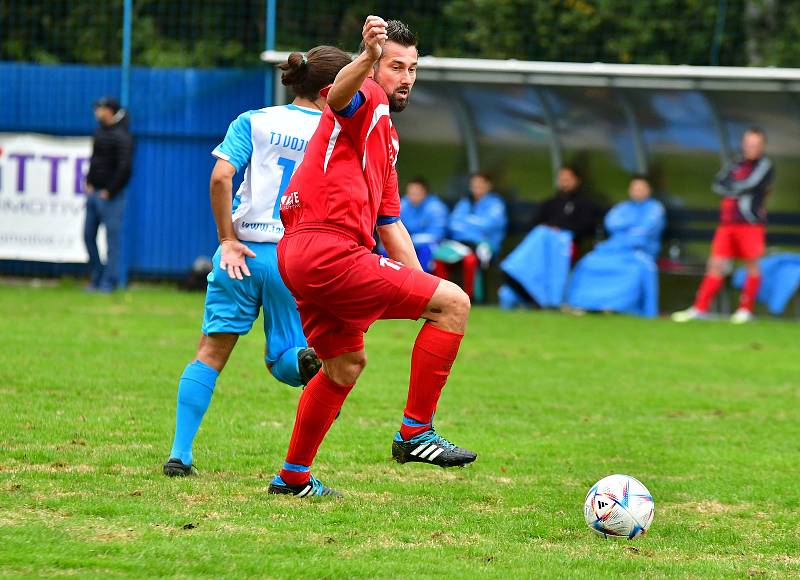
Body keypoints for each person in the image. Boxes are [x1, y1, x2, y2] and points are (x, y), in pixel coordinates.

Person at [268, 16, 475, 498]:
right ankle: (415, 433)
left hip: (301, 255)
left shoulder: (388, 142)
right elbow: (338, 96)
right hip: (328, 251)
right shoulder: (367, 100)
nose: (405, 78)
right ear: (375, 69)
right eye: (395, 66)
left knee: (344, 365)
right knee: (457, 303)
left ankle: (292, 477)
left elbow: (391, 224)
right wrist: (365, 56)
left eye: (413, 68)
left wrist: (425, 292)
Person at [162, 46, 353, 477]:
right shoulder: (338, 131)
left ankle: (180, 455)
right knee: (288, 354)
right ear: (332, 89)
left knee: (210, 352)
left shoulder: (254, 120)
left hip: (242, 253)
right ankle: (303, 365)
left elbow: (220, 175)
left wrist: (226, 239)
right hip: (297, 257)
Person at [672, 128, 774, 324]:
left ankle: (745, 310)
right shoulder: (736, 162)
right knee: (716, 264)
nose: (751, 147)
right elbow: (719, 183)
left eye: (755, 144)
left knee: (752, 264)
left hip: (750, 224)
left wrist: (733, 188)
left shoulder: (765, 165)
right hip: (727, 224)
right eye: (748, 143)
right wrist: (734, 187)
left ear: (762, 146)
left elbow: (750, 185)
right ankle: (700, 308)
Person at [565, 175, 666, 318]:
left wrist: (626, 230)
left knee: (632, 270)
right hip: (613, 249)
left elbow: (644, 230)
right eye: (634, 188)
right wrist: (630, 228)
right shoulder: (622, 207)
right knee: (588, 262)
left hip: (639, 252)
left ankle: (616, 305)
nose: (637, 191)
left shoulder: (655, 208)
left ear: (649, 190)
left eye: (641, 188)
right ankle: (582, 303)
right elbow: (611, 223)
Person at [498, 165, 598, 309]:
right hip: (542, 246)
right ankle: (517, 276)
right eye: (561, 178)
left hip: (566, 245)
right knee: (540, 234)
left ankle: (543, 296)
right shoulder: (550, 203)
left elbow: (587, 227)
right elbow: (534, 224)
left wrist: (560, 231)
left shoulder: (585, 204)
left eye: (567, 178)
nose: (564, 182)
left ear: (577, 180)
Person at [433, 172, 507, 302]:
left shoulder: (495, 204)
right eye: (474, 185)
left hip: (484, 245)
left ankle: (470, 298)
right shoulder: (464, 203)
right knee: (439, 257)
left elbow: (487, 225)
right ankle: (441, 297)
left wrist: (465, 224)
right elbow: (452, 224)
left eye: (480, 184)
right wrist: (473, 224)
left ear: (488, 186)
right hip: (460, 243)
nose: (476, 188)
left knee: (469, 260)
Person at [84, 97, 133, 292]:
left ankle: (108, 282)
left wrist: (109, 191)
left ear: (110, 111)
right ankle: (97, 277)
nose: (97, 112)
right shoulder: (99, 132)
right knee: (87, 236)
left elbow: (125, 168)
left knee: (112, 242)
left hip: (112, 198)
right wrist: (88, 181)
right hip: (93, 193)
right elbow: (95, 160)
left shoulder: (123, 136)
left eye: (100, 108)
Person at [399, 177, 449, 272]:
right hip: (410, 242)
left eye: (416, 193)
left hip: (432, 244)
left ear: (425, 193)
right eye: (410, 193)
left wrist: (410, 240)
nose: (412, 196)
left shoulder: (436, 207)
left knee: (425, 249)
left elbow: (436, 235)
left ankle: (421, 282)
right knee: (387, 249)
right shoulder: (404, 204)